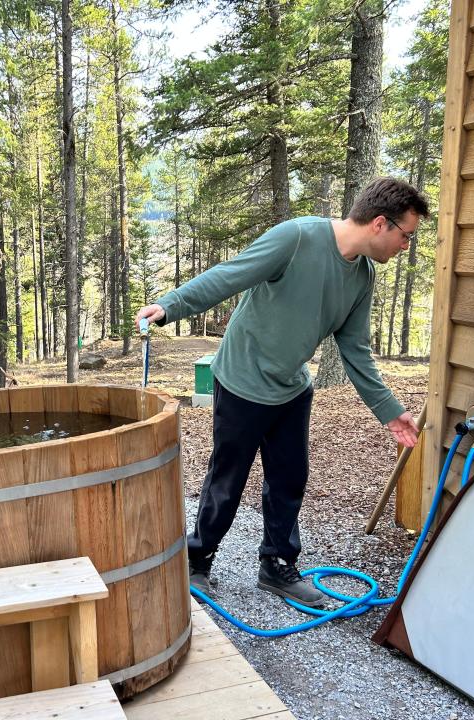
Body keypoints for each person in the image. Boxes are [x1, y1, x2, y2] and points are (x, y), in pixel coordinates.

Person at [135, 177, 426, 607]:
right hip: (243, 379)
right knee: (227, 479)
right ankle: (198, 560)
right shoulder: (298, 237)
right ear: (381, 224)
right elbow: (231, 275)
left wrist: (389, 411)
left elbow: (355, 350)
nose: (406, 247)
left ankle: (277, 566)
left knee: (289, 478)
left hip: (292, 386)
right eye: (407, 236)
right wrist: (172, 304)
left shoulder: (362, 276)